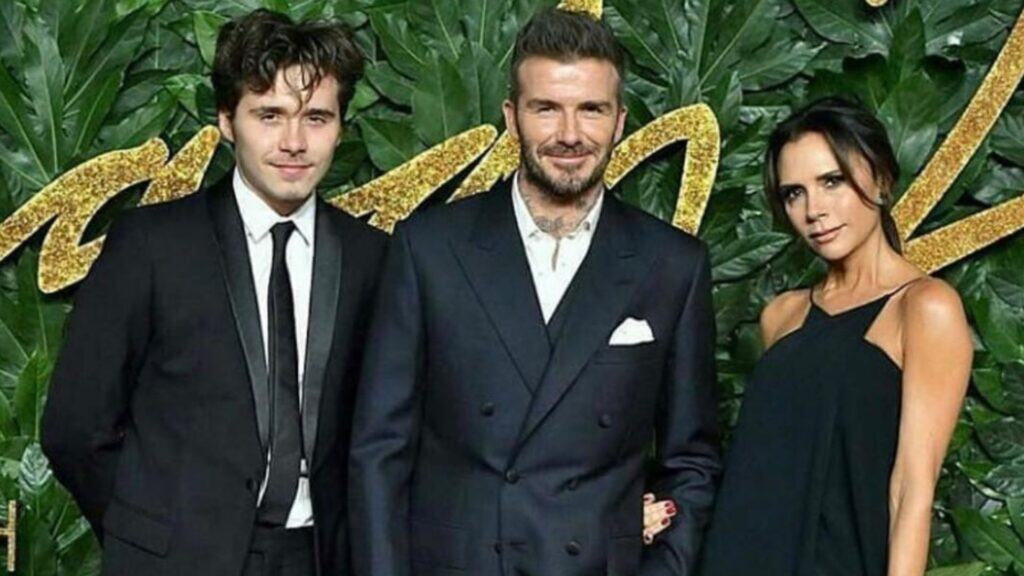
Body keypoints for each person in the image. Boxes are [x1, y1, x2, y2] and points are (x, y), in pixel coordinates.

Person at [348, 8, 720, 576]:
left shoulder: (672, 265)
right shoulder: (429, 249)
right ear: (512, 117)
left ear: (619, 121)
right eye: (546, 108)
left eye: (591, 109)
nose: (569, 135)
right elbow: (380, 451)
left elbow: (690, 459)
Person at [40, 10, 385, 576]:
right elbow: (75, 426)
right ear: (227, 120)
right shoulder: (151, 245)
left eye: (316, 118)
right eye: (268, 115)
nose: (294, 142)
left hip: (321, 557)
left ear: (341, 126)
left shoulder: (372, 257)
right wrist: (147, 529)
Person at [699, 97, 973, 576]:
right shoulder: (781, 316)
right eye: (794, 193)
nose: (814, 210)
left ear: (881, 178)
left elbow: (912, 487)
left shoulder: (924, 307)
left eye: (832, 181)